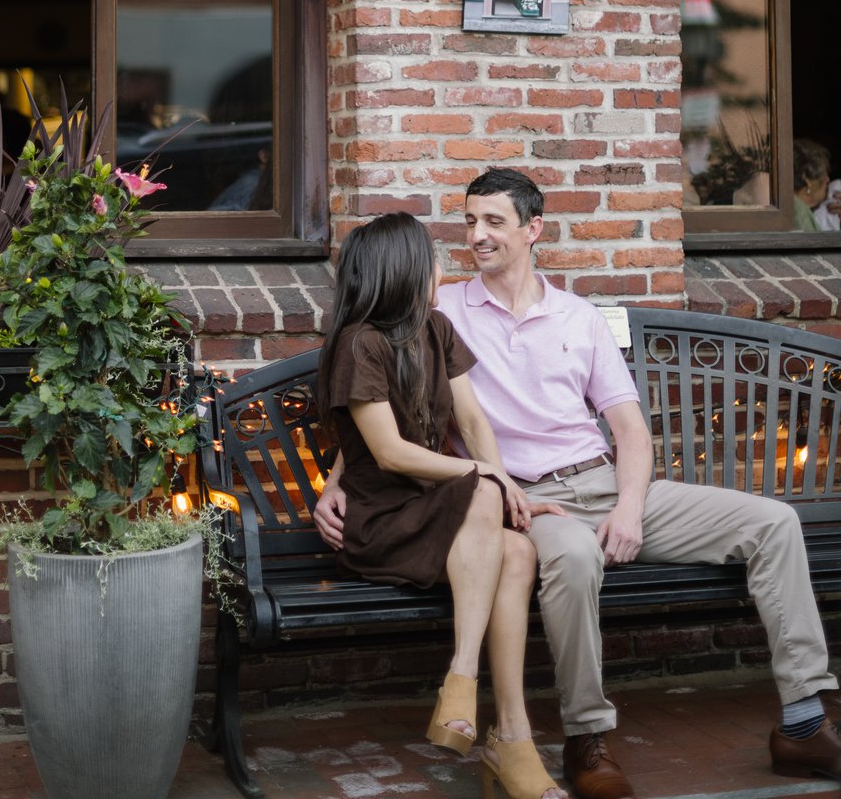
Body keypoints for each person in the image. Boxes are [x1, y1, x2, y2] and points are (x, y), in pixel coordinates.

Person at [316, 169, 841, 799]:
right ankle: (587, 738)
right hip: (526, 500)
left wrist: (629, 508)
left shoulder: (579, 316)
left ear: (533, 229)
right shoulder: (441, 307)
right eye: (469, 221)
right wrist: (335, 480)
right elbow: (386, 407)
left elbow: (632, 433)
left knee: (773, 522)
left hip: (600, 481)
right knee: (574, 557)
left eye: (493, 222)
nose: (476, 236)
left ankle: (805, 721)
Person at [318, 210, 565, 799]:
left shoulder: (435, 329)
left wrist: (509, 489)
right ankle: (461, 678)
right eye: (429, 258)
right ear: (401, 269)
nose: (439, 267)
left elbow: (473, 421)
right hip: (381, 521)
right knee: (480, 490)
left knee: (519, 552)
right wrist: (485, 477)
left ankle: (512, 737)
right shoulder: (359, 344)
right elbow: (388, 451)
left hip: (433, 511)